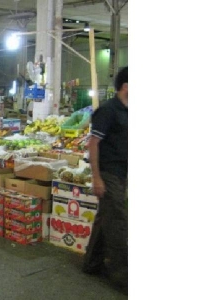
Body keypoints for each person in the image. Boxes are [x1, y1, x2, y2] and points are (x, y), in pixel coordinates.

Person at [82, 66, 128, 291]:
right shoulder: (108, 111)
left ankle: (91, 263)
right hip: (108, 173)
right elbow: (93, 143)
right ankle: (123, 276)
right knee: (118, 221)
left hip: (123, 173)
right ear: (126, 87)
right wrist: (97, 178)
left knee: (106, 217)